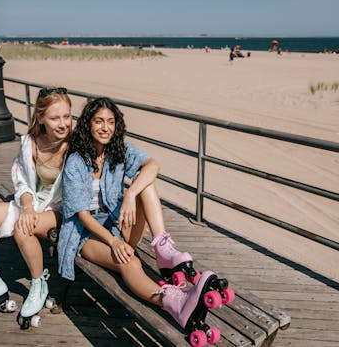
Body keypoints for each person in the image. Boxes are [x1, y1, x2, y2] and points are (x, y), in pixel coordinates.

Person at [58, 97, 227, 335]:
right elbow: (82, 215)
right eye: (99, 121)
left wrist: (130, 196)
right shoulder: (76, 161)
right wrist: (113, 241)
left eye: (110, 122)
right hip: (87, 234)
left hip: (118, 223)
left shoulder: (117, 151)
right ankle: (173, 303)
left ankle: (163, 249)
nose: (105, 127)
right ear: (88, 124)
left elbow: (153, 165)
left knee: (146, 183)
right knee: (129, 261)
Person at [0, 86, 72, 326]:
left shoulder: (76, 146)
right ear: (40, 118)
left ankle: (38, 283)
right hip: (30, 206)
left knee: (24, 228)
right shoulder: (30, 142)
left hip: (60, 211)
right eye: (54, 118)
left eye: (67, 116)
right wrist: (28, 207)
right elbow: (20, 182)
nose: (63, 124)